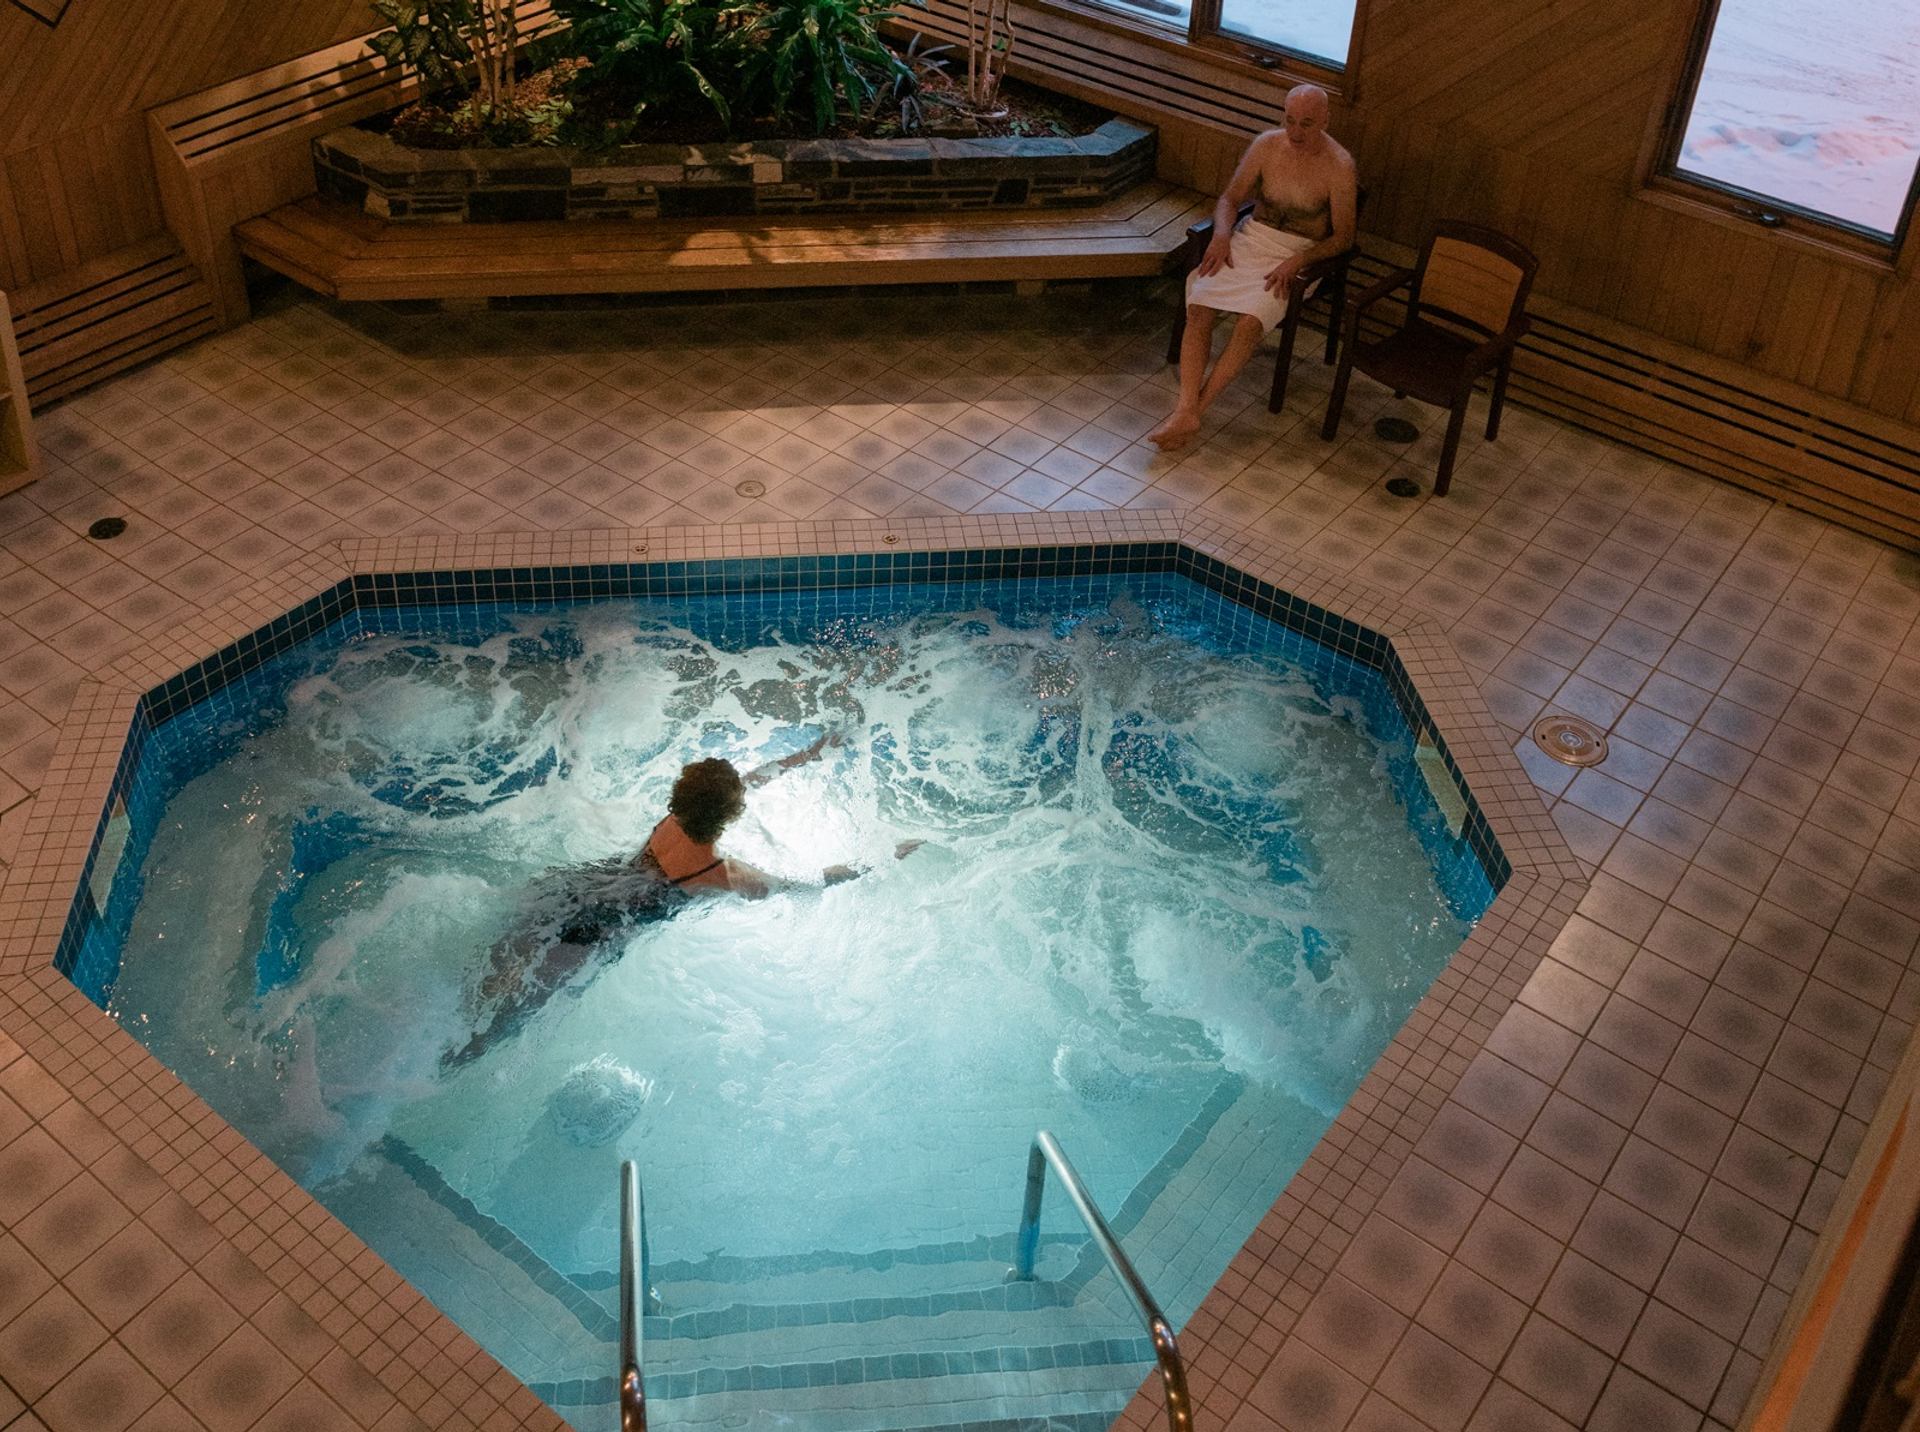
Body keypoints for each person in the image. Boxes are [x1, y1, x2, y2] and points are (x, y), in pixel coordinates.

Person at [443, 736, 914, 1069]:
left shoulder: (674, 816)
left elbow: (745, 783)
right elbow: (806, 883)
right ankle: (439, 1069)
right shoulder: (719, 874)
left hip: (575, 888)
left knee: (481, 972)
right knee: (505, 1020)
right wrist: (879, 858)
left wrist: (807, 755)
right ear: (730, 814)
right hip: (593, 934)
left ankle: (432, 1028)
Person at [1148, 85, 1358, 452]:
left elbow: (1343, 238)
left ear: (1326, 120)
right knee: (1199, 307)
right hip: (1249, 239)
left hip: (1296, 254)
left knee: (1249, 323)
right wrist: (1222, 235)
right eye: (1289, 120)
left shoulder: (1339, 166)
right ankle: (1185, 408)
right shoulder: (1266, 145)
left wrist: (1298, 261)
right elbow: (1230, 199)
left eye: (1306, 124)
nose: (1295, 132)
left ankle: (1197, 408)